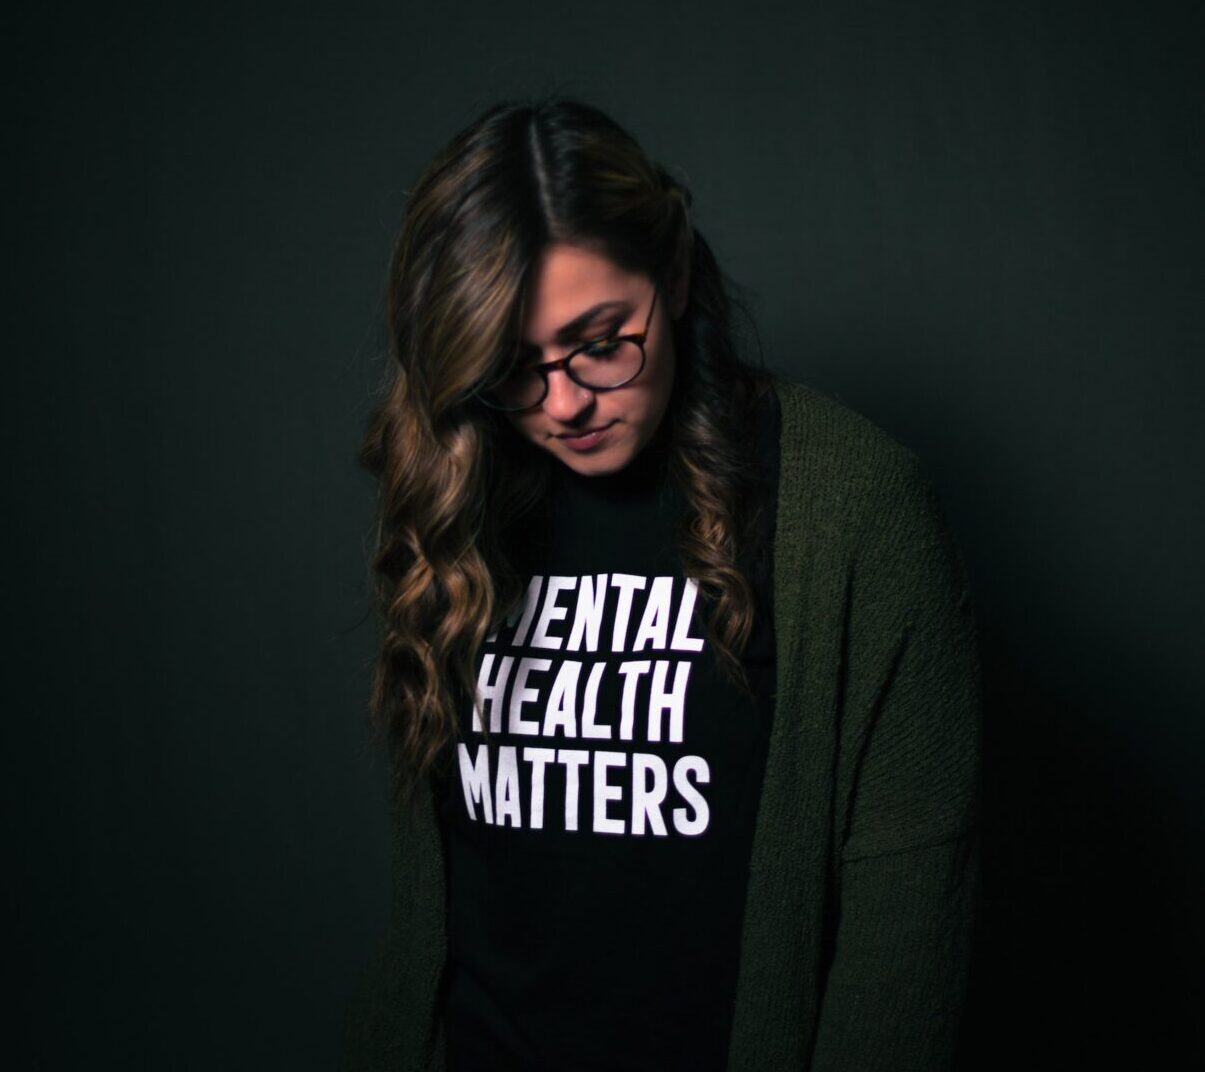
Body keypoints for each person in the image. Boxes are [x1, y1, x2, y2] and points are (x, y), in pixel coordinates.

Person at [341, 95, 981, 1072]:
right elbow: (439, 918)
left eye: (601, 340)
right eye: (510, 367)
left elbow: (901, 939)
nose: (561, 403)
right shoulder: (453, 496)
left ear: (673, 272)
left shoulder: (852, 508)